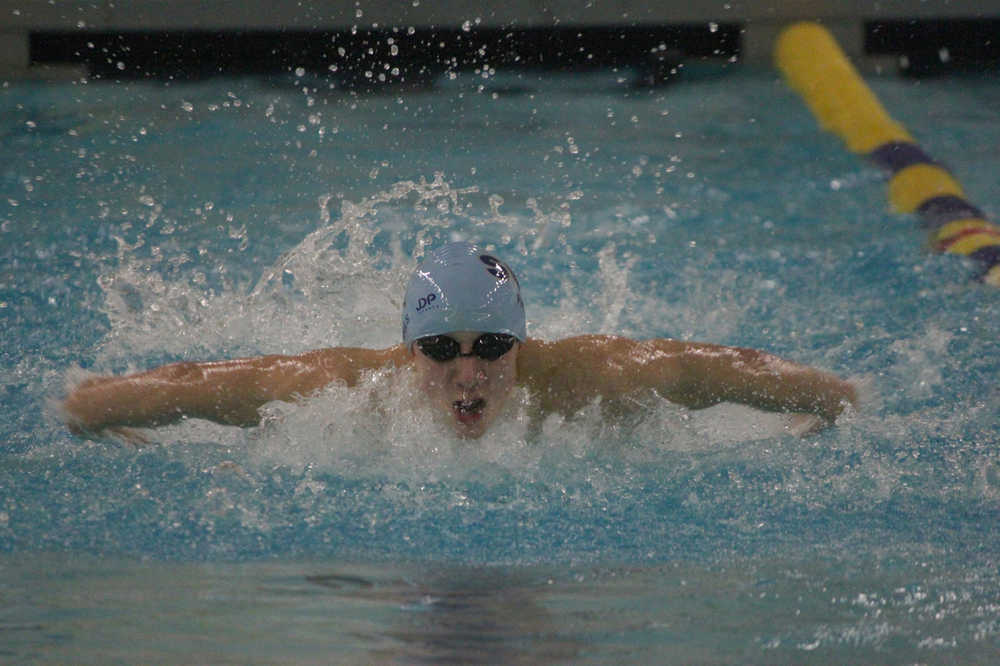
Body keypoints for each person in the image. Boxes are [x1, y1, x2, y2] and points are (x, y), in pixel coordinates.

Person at [62, 241, 858, 440]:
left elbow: (714, 368)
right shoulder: (341, 389)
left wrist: (834, 402)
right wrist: (95, 411)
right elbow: (199, 383)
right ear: (409, 350)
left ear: (524, 344)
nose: (469, 372)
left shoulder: (591, 378)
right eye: (442, 350)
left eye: (492, 348)